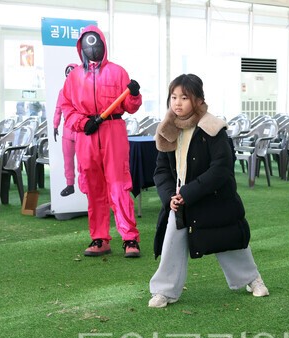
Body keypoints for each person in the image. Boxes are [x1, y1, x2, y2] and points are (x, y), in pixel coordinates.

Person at [148, 74, 269, 308]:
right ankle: (163, 291)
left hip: (214, 199)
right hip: (180, 201)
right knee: (171, 244)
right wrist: (169, 198)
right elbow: (161, 171)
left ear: (199, 100)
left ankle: (253, 279)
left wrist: (189, 192)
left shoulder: (213, 128)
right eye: (174, 97)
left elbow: (221, 168)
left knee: (230, 242)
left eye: (184, 97)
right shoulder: (168, 129)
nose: (177, 103)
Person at [60, 25, 142, 258]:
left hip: (113, 130)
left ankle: (130, 238)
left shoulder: (117, 72)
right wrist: (82, 123)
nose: (92, 47)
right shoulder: (74, 77)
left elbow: (130, 106)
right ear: (81, 47)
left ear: (103, 45)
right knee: (93, 187)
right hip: (87, 134)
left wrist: (134, 94)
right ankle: (99, 238)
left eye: (96, 43)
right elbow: (67, 108)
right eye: (87, 43)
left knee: (119, 185)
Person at [53, 64, 79, 197]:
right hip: (68, 131)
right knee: (68, 159)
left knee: (84, 161)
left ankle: (86, 185)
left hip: (81, 130)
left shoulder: (84, 90)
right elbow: (58, 109)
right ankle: (70, 185)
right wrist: (55, 125)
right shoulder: (62, 92)